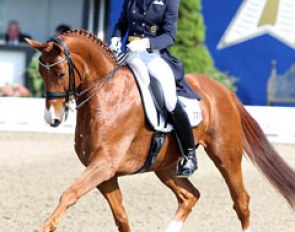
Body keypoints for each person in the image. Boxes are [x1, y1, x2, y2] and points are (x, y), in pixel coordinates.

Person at [110, 0, 197, 177]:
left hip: (153, 56)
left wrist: (147, 43)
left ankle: (189, 154)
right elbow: (122, 23)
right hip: (130, 53)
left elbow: (170, 35)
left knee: (170, 100)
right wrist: (116, 37)